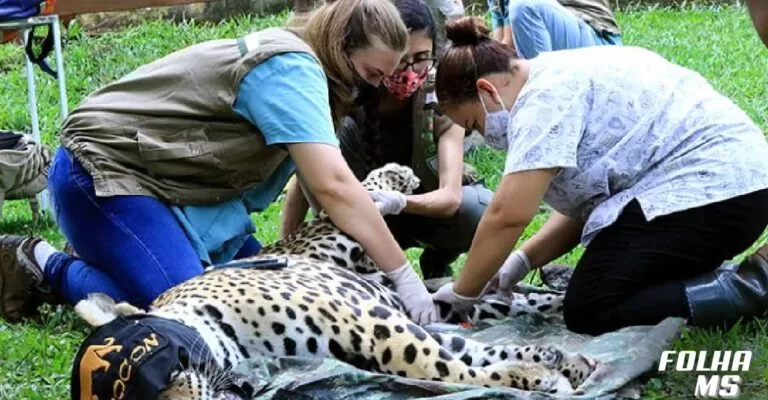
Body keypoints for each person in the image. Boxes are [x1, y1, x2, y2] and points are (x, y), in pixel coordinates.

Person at [0, 0, 439, 326]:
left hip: (166, 188)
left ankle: (122, 248)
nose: (377, 86)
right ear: (342, 47)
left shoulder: (313, 71)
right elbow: (332, 185)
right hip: (100, 171)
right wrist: (403, 274)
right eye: (371, 75)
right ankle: (44, 264)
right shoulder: (291, 67)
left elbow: (312, 183)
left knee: (258, 306)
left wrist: (297, 259)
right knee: (191, 312)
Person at [430, 17, 768, 336]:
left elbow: (508, 214)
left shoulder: (542, 102)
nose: (486, 138)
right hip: (737, 186)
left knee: (593, 306)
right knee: (604, 281)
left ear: (487, 90)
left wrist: (462, 293)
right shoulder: (558, 72)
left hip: (713, 193)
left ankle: (752, 287)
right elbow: (583, 208)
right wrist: (520, 262)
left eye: (475, 124)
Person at [280, 0, 494, 279]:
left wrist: (396, 201)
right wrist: (284, 252)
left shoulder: (439, 97)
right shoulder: (343, 98)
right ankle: (354, 263)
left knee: (479, 209)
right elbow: (306, 176)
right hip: (356, 217)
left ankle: (436, 262)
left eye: (421, 58)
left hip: (422, 212)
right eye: (401, 59)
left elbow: (449, 198)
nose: (410, 71)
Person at [487, 0, 622, 59]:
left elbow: (509, 46)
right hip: (561, 39)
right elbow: (499, 46)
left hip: (599, 41)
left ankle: (544, 98)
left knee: (524, 6)